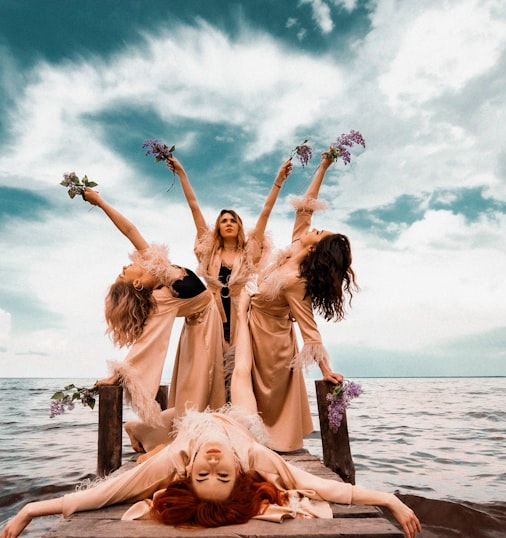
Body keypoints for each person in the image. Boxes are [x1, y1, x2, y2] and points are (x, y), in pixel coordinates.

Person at [0, 409, 420, 538]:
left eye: (204, 475)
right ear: (240, 473)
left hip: (189, 427)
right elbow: (327, 489)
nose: (213, 463)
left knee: (149, 443)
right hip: (238, 423)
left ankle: (144, 436)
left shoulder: (176, 462)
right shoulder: (255, 458)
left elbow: (107, 493)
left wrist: (30, 509)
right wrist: (389, 500)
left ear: (186, 474)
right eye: (221, 475)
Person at [230, 151, 357, 452]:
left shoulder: (298, 281)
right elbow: (305, 208)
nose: (316, 227)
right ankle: (246, 438)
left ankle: (275, 444)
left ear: (318, 250)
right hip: (252, 329)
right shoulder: (298, 244)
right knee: (243, 388)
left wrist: (326, 370)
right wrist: (324, 165)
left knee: (268, 398)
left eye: (321, 233)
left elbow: (308, 327)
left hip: (274, 343)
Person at [83, 188, 225, 449]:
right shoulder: (160, 301)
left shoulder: (155, 264)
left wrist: (101, 202)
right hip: (201, 326)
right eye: (122, 274)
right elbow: (147, 344)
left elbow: (129, 230)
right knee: (197, 394)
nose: (125, 266)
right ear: (137, 283)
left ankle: (159, 433)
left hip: (206, 320)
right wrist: (118, 375)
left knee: (199, 393)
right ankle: (148, 431)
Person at [166, 155, 293, 359]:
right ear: (218, 226)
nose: (228, 223)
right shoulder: (209, 251)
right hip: (209, 311)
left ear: (239, 225)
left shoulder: (248, 251)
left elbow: (266, 212)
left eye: (233, 220)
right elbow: (193, 206)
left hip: (241, 313)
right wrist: (181, 173)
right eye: (224, 220)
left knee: (237, 365)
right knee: (208, 365)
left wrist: (279, 180)